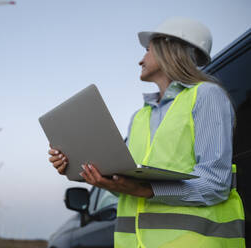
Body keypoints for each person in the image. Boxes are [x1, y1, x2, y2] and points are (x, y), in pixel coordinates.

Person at [48, 17, 245, 247]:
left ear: (168, 50)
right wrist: (83, 168)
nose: (140, 60)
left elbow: (215, 184)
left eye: (147, 50)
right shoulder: (140, 117)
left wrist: (145, 189)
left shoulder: (207, 96)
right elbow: (129, 183)